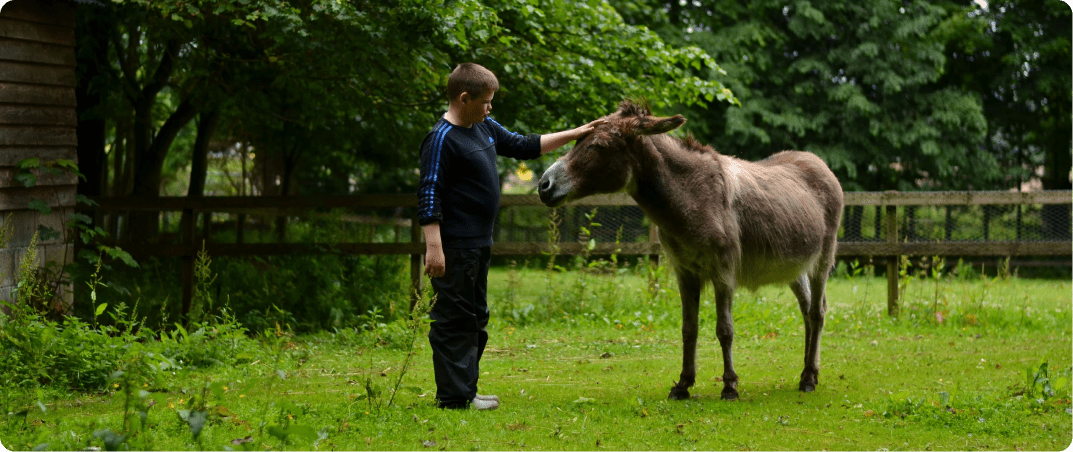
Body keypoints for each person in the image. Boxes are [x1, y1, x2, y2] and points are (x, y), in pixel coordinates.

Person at [417, 63, 599, 410]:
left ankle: (465, 391)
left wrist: (577, 133)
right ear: (464, 98)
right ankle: (454, 398)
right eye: (486, 101)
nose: (490, 108)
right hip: (454, 247)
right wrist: (434, 249)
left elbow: (525, 145)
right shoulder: (440, 139)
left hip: (479, 244)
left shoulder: (482, 126)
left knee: (476, 318)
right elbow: (429, 195)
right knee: (454, 321)